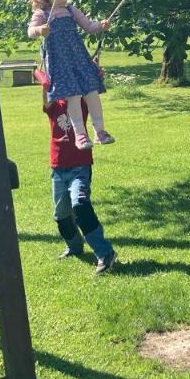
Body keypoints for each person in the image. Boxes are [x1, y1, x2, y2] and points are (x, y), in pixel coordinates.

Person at [28, 0, 113, 150]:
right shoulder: (41, 14)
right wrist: (40, 30)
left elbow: (89, 26)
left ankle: (100, 132)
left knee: (91, 92)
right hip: (60, 63)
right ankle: (80, 136)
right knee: (73, 96)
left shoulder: (71, 10)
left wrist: (101, 26)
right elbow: (30, 32)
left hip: (78, 58)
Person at [45, 91, 117, 273]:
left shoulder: (79, 100)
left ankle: (105, 252)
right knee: (61, 215)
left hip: (80, 166)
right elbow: (46, 91)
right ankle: (74, 246)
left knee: (80, 204)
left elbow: (91, 95)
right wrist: (45, 79)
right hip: (58, 168)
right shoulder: (53, 104)